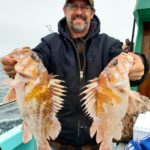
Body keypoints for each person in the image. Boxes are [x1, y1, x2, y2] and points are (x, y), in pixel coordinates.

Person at [1, 0, 149, 149]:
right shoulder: (50, 44)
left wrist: (140, 61)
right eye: (73, 6)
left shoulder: (108, 44)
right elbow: (37, 58)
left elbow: (125, 59)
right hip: (58, 142)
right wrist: (15, 65)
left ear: (92, 13)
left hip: (96, 141)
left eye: (84, 7)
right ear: (65, 10)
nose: (79, 12)